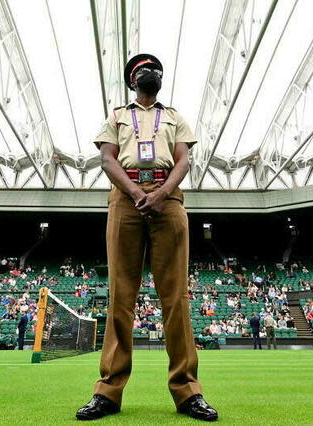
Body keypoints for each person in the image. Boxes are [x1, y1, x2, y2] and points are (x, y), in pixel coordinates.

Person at [77, 53, 216, 422]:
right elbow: (107, 159)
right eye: (141, 70)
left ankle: (188, 392)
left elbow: (183, 160)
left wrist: (161, 193)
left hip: (168, 200)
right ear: (131, 80)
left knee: (176, 298)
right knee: (121, 296)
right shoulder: (117, 116)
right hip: (126, 200)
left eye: (154, 69)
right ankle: (107, 393)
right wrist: (138, 194)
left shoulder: (174, 116)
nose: (149, 72)